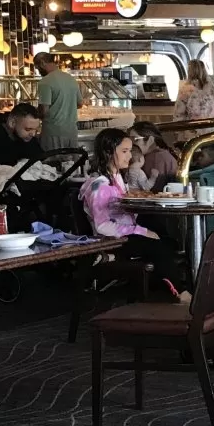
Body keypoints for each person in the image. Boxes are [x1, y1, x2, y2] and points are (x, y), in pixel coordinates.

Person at [79, 129, 190, 301]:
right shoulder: (99, 185)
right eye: (124, 151)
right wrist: (141, 231)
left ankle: (160, 288)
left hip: (125, 235)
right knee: (158, 247)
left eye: (130, 151)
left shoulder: (117, 178)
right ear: (108, 152)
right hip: (112, 239)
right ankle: (180, 293)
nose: (130, 156)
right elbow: (102, 226)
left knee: (168, 241)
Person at [33, 52, 81, 152]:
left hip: (53, 133)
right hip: (72, 132)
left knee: (53, 160)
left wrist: (34, 113)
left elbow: (44, 111)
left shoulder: (45, 81)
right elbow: (79, 104)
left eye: (37, 68)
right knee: (71, 160)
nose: (39, 71)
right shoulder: (71, 79)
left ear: (42, 63)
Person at [126, 122, 179, 192]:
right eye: (130, 140)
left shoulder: (156, 158)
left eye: (135, 139)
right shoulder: (161, 155)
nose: (131, 144)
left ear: (150, 140)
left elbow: (154, 190)